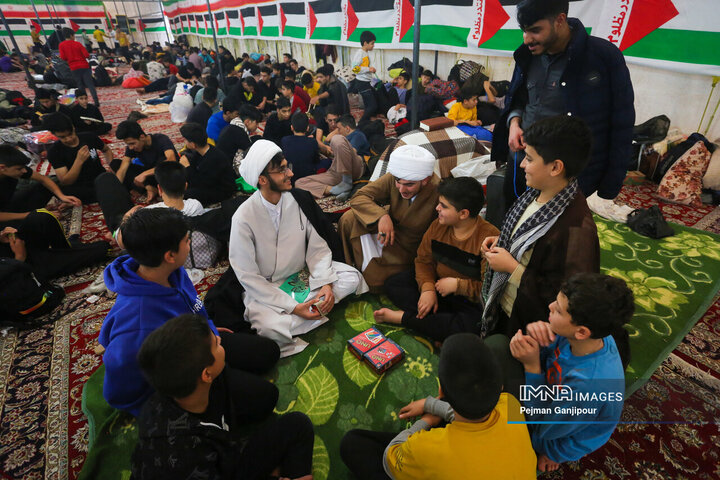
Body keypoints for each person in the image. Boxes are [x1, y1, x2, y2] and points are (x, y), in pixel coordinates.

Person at [98, 208, 281, 419]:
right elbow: (120, 393)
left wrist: (208, 328)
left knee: (268, 352)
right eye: (187, 240)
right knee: (265, 397)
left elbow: (193, 310)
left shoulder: (171, 271)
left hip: (199, 345)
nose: (190, 243)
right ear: (170, 255)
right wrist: (173, 406)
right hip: (183, 379)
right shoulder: (137, 324)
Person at [132, 313, 314, 480]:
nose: (220, 338)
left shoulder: (202, 383)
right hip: (216, 468)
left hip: (228, 454)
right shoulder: (182, 456)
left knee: (297, 424)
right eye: (216, 344)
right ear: (206, 374)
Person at [492, 0, 635, 209]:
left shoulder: (603, 58)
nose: (527, 39)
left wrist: (609, 186)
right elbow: (519, 100)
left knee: (558, 236)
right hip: (524, 166)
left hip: (570, 176)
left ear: (559, 20)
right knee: (515, 226)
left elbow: (622, 124)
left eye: (535, 30)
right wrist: (514, 123)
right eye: (523, 30)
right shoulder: (527, 55)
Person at [230, 140, 368, 356]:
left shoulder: (295, 201)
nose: (290, 174)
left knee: (351, 277)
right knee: (268, 327)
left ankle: (314, 309)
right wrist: (293, 307)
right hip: (270, 289)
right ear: (262, 179)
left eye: (287, 166)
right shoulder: (243, 218)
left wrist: (325, 285)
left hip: (303, 277)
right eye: (282, 170)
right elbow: (247, 276)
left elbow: (316, 247)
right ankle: (313, 311)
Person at [340, 333, 537, 479]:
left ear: (441, 390)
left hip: (434, 454)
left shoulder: (426, 447)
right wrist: (431, 405)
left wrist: (426, 420)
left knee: (353, 443)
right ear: (500, 387)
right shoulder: (511, 404)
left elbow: (390, 456)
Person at [481, 115, 600, 337]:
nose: (522, 164)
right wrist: (506, 242)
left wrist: (512, 268)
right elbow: (531, 243)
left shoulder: (577, 229)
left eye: (529, 158)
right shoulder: (537, 193)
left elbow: (570, 297)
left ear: (555, 167)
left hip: (527, 323)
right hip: (505, 304)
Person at [503, 273, 632, 472]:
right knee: (500, 351)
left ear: (581, 332)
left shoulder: (588, 387)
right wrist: (542, 337)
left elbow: (543, 427)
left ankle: (548, 455)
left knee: (496, 411)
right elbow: (553, 355)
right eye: (556, 301)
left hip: (551, 437)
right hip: (555, 407)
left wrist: (532, 367)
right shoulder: (590, 338)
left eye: (559, 310)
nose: (550, 306)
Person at [374, 177, 500, 340]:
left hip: (467, 300)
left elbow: (488, 291)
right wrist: (427, 289)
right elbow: (423, 261)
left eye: (444, 206)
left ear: (463, 213)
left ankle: (404, 318)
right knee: (394, 284)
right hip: (437, 286)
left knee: (471, 328)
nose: (437, 208)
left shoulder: (489, 239)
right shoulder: (437, 226)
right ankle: (435, 318)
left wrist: (458, 285)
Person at [338, 145, 439, 292]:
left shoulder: (438, 191)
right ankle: (348, 268)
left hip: (410, 250)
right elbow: (359, 197)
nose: (402, 189)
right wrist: (382, 216)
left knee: (373, 282)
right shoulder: (396, 177)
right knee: (349, 218)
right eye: (399, 182)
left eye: (409, 185)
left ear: (425, 180)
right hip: (389, 233)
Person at [0, 145, 108, 281]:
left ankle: (63, 247)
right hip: (17, 247)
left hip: (9, 211)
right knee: (101, 249)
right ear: (2, 167)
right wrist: (29, 215)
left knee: (42, 195)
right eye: (18, 169)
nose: (23, 171)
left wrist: (62, 196)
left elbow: (44, 179)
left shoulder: (15, 170)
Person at [43, 112, 111, 203]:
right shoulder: (54, 151)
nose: (69, 139)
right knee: (63, 192)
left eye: (70, 134)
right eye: (63, 137)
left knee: (120, 172)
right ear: (54, 135)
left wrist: (111, 165)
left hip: (99, 178)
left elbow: (106, 150)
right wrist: (79, 161)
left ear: (73, 127)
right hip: (79, 185)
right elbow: (66, 181)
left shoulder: (89, 137)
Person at [113, 120, 178, 200]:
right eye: (128, 144)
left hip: (166, 176)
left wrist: (145, 174)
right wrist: (115, 191)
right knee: (115, 163)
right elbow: (123, 169)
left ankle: (153, 189)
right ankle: (150, 188)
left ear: (142, 137)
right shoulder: (132, 147)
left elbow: (172, 161)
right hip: (149, 178)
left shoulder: (161, 139)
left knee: (164, 163)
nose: (130, 147)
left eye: (132, 143)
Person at [178, 122, 236, 206]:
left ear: (193, 144)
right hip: (207, 181)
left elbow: (201, 183)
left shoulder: (214, 159)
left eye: (186, 140)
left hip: (221, 190)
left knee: (187, 194)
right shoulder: (200, 151)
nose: (185, 142)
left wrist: (187, 167)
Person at [294, 134, 365, 200]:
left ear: (347, 127)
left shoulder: (357, 134)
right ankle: (336, 190)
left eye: (338, 126)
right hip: (335, 171)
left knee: (336, 138)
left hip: (353, 166)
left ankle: (347, 181)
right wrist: (324, 148)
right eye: (329, 121)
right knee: (299, 183)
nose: (332, 124)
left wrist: (334, 135)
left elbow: (352, 151)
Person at [281, 112, 329, 185]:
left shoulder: (285, 140)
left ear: (292, 127)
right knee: (328, 162)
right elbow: (316, 160)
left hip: (291, 177)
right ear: (307, 128)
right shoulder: (312, 142)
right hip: (308, 177)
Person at [59, 29, 100, 106]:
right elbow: (86, 55)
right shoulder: (78, 44)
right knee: (90, 84)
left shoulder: (61, 45)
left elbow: (63, 57)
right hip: (84, 66)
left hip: (73, 68)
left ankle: (83, 102)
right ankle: (96, 101)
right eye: (74, 35)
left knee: (80, 85)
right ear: (71, 35)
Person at [349, 31, 378, 125]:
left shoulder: (365, 53)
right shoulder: (360, 53)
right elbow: (354, 69)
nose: (373, 45)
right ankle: (360, 123)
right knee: (372, 106)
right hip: (362, 83)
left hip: (366, 81)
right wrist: (368, 69)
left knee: (368, 105)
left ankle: (366, 123)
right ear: (365, 43)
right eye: (372, 43)